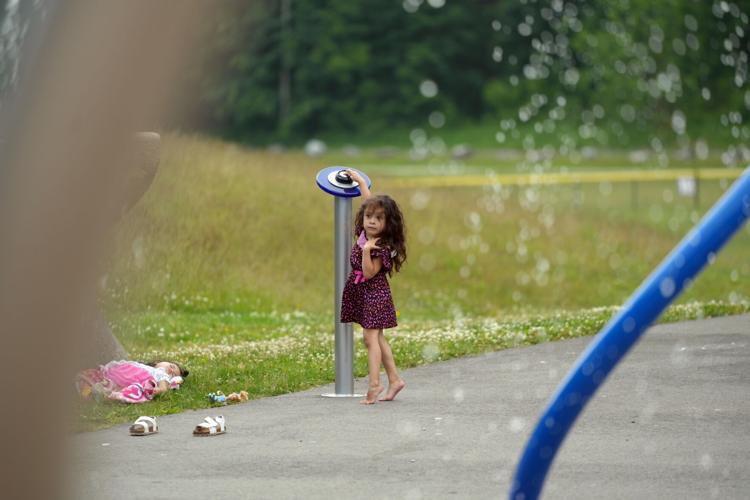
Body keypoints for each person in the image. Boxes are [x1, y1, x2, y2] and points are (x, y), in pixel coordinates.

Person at [340, 169, 407, 404]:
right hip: (365, 293)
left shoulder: (379, 246)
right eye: (369, 216)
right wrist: (359, 181)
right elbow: (369, 202)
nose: (371, 221)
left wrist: (367, 251)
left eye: (378, 219)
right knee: (377, 339)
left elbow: (369, 273)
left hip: (374, 294)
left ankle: (374, 385)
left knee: (370, 339)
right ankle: (395, 380)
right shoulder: (365, 232)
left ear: (387, 224)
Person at [76, 359, 189, 403]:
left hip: (126, 381)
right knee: (98, 376)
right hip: (117, 374)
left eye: (173, 374)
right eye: (171, 366)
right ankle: (88, 385)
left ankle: (94, 392)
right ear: (158, 362)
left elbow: (163, 387)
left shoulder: (161, 374)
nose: (171, 370)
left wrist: (159, 389)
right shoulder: (146, 367)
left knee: (116, 388)